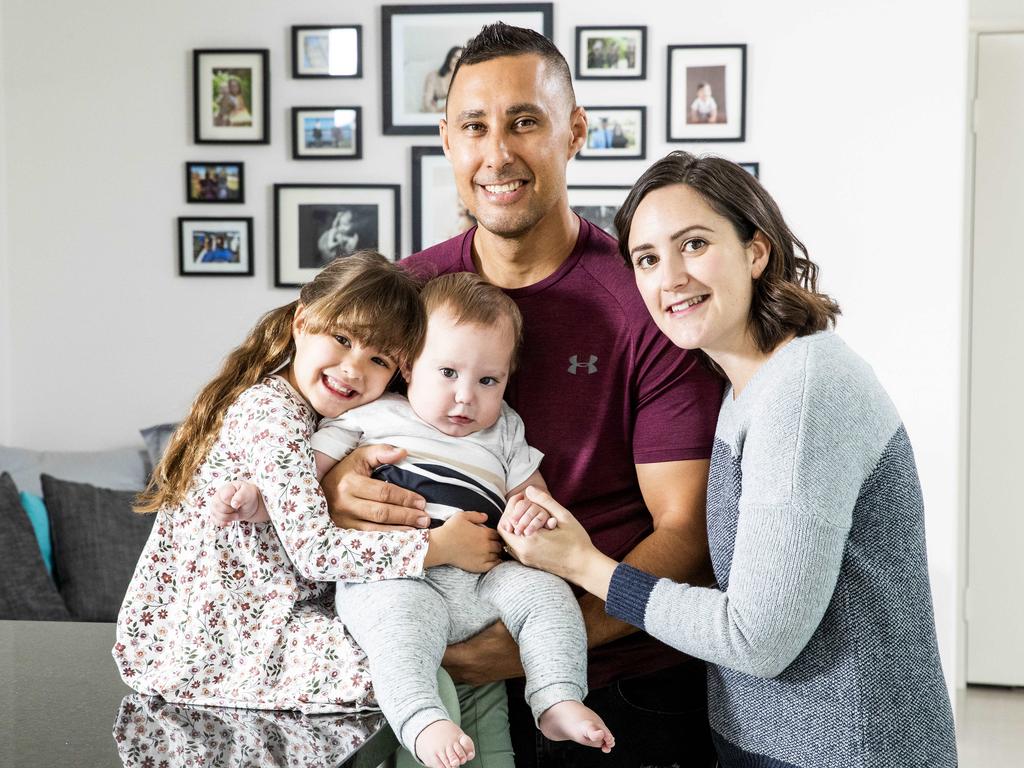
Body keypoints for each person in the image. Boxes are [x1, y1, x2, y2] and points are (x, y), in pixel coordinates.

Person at [321, 22, 724, 768]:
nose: (497, 153)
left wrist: (536, 641)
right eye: (474, 126)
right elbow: (306, 426)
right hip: (429, 679)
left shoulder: (644, 305)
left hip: (617, 689)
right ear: (447, 139)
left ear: (575, 133)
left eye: (525, 122)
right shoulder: (404, 296)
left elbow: (690, 536)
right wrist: (337, 486)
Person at [499, 151, 959, 768]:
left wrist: (586, 564)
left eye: (693, 244)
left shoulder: (803, 390)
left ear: (756, 251)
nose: (670, 278)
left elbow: (757, 638)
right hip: (771, 741)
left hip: (847, 748)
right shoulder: (746, 385)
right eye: (647, 259)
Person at [220, 273, 614, 768]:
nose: (466, 397)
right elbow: (303, 476)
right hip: (392, 578)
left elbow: (534, 497)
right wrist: (256, 499)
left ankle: (557, 697)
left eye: (488, 380)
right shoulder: (373, 413)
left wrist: (531, 512)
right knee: (398, 630)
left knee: (546, 596)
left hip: (480, 580)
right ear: (408, 366)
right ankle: (421, 718)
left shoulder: (506, 427)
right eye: (448, 373)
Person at [114, 252, 495, 717]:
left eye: (378, 358)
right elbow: (316, 552)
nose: (354, 369)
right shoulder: (272, 413)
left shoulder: (313, 415)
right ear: (301, 323)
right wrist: (437, 547)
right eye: (341, 338)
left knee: (408, 638)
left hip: (264, 613)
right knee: (402, 668)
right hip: (219, 641)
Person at [423, 46, 463, 113]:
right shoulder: (433, 76)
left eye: (460, 59)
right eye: (455, 57)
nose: (457, 61)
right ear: (449, 58)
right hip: (435, 115)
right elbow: (426, 103)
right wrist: (438, 111)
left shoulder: (464, 79)